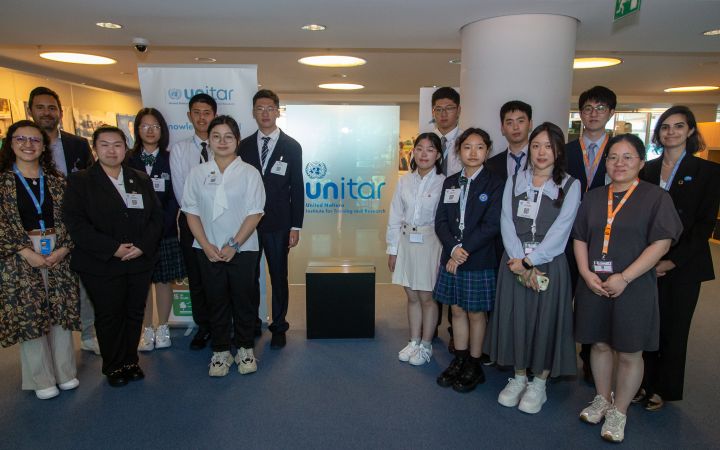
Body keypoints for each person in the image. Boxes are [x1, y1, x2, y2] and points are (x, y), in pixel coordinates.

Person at [572, 134, 682, 443]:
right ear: (605, 163)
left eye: (627, 157)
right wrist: (584, 271)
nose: (619, 164)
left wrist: (626, 276)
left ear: (641, 163)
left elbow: (661, 243)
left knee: (631, 350)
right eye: (613, 157)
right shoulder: (594, 196)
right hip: (594, 283)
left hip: (632, 286)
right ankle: (602, 399)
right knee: (599, 344)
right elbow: (580, 236)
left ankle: (619, 411)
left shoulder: (656, 198)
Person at [485, 122, 580, 414]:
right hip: (513, 263)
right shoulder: (515, 180)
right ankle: (518, 376)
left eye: (549, 146)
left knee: (545, 322)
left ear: (559, 150)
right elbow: (505, 221)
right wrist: (518, 261)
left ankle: (539, 382)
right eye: (536, 145)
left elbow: (561, 231)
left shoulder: (570, 185)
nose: (541, 152)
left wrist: (530, 261)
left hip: (549, 265)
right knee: (516, 319)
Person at [63, 126, 163, 387]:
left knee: (134, 312)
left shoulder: (139, 178)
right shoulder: (81, 181)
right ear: (95, 148)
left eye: (117, 144)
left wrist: (141, 246)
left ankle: (131, 361)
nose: (111, 150)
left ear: (125, 147)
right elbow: (76, 224)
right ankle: (114, 365)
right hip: (101, 263)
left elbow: (156, 218)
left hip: (139, 260)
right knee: (109, 315)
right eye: (105, 145)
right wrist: (113, 248)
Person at [637, 106, 720, 410]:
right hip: (646, 260)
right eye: (665, 127)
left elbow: (704, 224)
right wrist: (647, 260)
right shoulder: (646, 170)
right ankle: (642, 382)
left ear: (690, 132)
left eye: (678, 126)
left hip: (684, 263)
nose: (671, 132)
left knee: (674, 328)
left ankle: (663, 389)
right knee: (647, 325)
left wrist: (673, 260)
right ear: (658, 133)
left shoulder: (709, 172)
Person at [0, 120, 80, 399]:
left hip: (58, 249)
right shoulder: (3, 183)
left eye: (35, 140)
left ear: (44, 146)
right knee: (31, 316)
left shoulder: (57, 182)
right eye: (21, 139)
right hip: (20, 253)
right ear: (10, 144)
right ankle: (41, 378)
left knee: (60, 312)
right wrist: (27, 252)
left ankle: (65, 371)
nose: (28, 145)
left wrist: (63, 249)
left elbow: (73, 218)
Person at [182, 115, 265, 376]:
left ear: (237, 140)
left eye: (228, 136)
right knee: (215, 299)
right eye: (216, 136)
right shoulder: (197, 173)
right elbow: (191, 212)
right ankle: (220, 351)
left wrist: (233, 245)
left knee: (243, 299)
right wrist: (206, 245)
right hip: (207, 249)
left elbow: (255, 213)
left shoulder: (250, 173)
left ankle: (244, 348)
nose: (222, 141)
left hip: (243, 248)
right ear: (208, 140)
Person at [27, 86, 99, 355]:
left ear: (60, 111)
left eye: (52, 107)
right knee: (40, 290)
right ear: (30, 110)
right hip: (37, 229)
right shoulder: (23, 148)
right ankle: (48, 345)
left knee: (82, 281)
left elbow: (93, 180)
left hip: (76, 222)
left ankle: (89, 334)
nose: (46, 112)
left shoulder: (76, 144)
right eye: (40, 107)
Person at [433, 128, 503, 393]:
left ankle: (475, 364)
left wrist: (463, 251)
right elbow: (440, 221)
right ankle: (459, 360)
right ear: (458, 151)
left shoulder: (495, 183)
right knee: (456, 310)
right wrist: (453, 249)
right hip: (452, 257)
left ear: (487, 151)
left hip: (479, 258)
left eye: (480, 147)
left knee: (476, 313)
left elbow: (492, 224)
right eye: (467, 147)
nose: (473, 153)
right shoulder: (450, 181)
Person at [239, 89, 303, 349]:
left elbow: (297, 187)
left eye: (270, 108)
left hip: (279, 224)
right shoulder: (242, 146)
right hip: (248, 225)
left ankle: (278, 325)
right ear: (253, 112)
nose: (265, 113)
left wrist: (296, 225)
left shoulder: (291, 146)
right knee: (248, 276)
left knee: (278, 276)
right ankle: (253, 323)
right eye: (259, 108)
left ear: (278, 111)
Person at [565, 85, 617, 383]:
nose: (593, 114)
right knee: (564, 294)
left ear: (610, 113)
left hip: (604, 239)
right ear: (580, 113)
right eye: (587, 108)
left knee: (594, 298)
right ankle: (561, 355)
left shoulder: (619, 151)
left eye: (600, 108)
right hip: (567, 235)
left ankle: (590, 357)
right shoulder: (567, 150)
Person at [127, 108, 186, 351]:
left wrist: (162, 223)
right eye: (145, 126)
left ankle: (162, 327)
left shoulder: (171, 158)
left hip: (165, 229)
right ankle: (146, 330)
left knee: (163, 280)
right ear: (137, 130)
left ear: (162, 131)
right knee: (141, 282)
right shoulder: (128, 160)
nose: (150, 131)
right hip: (135, 233)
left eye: (155, 127)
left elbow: (176, 195)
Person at [387, 133, 445, 366]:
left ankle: (427, 345)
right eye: (419, 149)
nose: (423, 154)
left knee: (427, 296)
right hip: (406, 239)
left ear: (438, 155)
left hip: (431, 241)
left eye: (430, 149)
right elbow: (394, 215)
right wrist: (392, 249)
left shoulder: (444, 182)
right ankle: (414, 341)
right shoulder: (404, 181)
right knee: (411, 294)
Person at [170, 93, 217, 350]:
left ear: (214, 116)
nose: (202, 117)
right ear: (189, 116)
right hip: (191, 223)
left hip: (222, 224)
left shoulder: (223, 147)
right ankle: (204, 327)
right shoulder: (179, 149)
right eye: (197, 112)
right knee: (197, 279)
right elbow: (180, 190)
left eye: (207, 112)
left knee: (220, 277)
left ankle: (223, 324)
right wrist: (197, 216)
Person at [431, 87, 462, 350]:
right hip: (431, 219)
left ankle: (454, 331)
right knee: (432, 273)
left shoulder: (466, 143)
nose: (443, 114)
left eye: (449, 108)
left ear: (458, 110)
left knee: (453, 273)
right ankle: (431, 326)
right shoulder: (429, 141)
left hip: (456, 220)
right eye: (438, 109)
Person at [485, 100, 533, 180]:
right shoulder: (490, 164)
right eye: (510, 123)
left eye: (520, 121)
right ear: (502, 128)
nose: (515, 127)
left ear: (530, 125)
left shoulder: (542, 158)